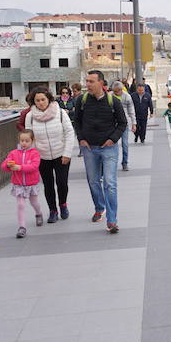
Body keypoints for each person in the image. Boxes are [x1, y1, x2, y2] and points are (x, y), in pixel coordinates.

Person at [73, 70, 127, 234]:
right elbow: (77, 121)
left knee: (110, 183)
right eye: (87, 81)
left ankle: (112, 220)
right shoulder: (81, 100)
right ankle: (99, 207)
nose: (88, 84)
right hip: (89, 148)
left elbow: (122, 123)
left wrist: (113, 139)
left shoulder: (113, 101)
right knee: (93, 181)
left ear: (101, 83)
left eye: (91, 81)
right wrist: (81, 139)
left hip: (109, 148)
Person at [25, 87, 75, 223]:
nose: (41, 103)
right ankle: (53, 210)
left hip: (61, 154)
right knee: (48, 185)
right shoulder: (30, 116)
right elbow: (29, 138)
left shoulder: (60, 112)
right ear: (33, 102)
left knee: (62, 182)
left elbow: (69, 132)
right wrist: (33, 156)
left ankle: (63, 204)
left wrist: (67, 153)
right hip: (42, 157)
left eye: (43, 99)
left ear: (49, 99)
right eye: (37, 100)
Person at [1, 129, 43, 239]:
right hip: (18, 184)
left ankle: (38, 213)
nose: (24, 143)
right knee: (20, 205)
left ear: (32, 141)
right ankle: (22, 227)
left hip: (31, 183)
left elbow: (34, 166)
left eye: (27, 141)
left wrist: (20, 167)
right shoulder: (13, 153)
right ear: (19, 140)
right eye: (22, 140)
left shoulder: (35, 153)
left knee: (34, 202)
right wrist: (8, 165)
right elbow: (3, 166)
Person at [111, 81, 137, 171]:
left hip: (123, 123)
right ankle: (112, 163)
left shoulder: (127, 97)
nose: (116, 93)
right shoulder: (110, 96)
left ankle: (125, 162)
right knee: (112, 144)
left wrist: (134, 123)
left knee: (125, 144)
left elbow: (131, 111)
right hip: (113, 124)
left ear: (121, 89)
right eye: (114, 91)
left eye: (117, 91)